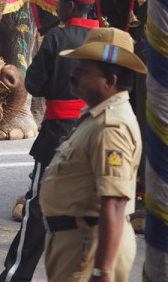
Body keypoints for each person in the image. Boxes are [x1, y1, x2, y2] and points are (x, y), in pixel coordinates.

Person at [0, 0, 101, 282]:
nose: (57, 7)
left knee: (37, 208)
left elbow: (34, 84)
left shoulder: (56, 38)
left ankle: (16, 276)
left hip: (57, 134)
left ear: (70, 5)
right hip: (94, 132)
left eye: (60, 2)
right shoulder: (105, 38)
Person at [39, 27, 145, 282]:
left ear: (110, 81)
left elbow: (115, 202)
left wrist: (102, 271)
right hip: (77, 242)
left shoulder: (111, 127)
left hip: (89, 246)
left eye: (83, 71)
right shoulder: (95, 116)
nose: (73, 74)